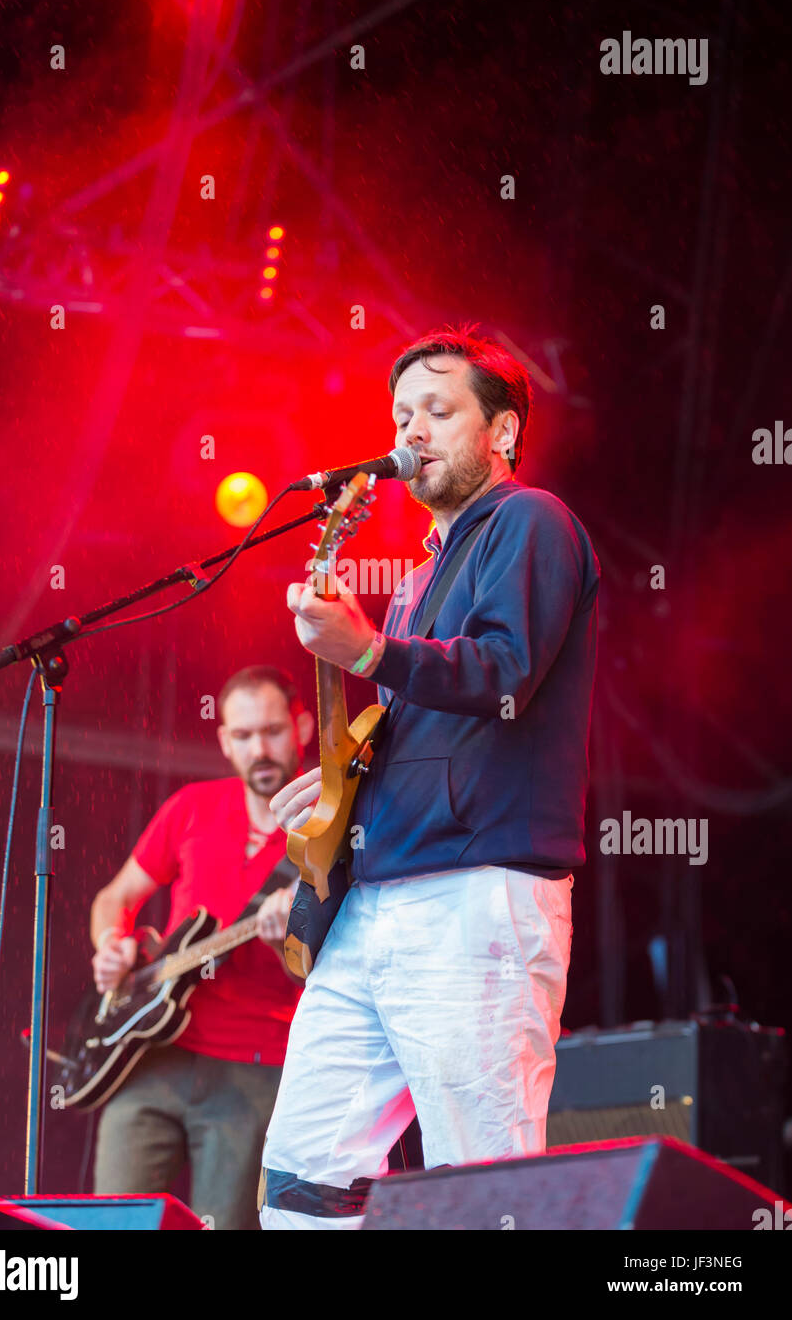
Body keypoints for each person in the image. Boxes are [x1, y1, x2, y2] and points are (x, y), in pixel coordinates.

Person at [259, 326, 601, 1229]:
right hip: (376, 899)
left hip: (475, 892)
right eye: (401, 413)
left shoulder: (531, 521)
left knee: (480, 1181)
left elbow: (502, 673)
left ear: (503, 434)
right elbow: (421, 715)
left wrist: (369, 647)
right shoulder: (416, 579)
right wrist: (341, 780)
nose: (411, 429)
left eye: (438, 410)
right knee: (302, 1173)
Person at [90, 665, 312, 1229]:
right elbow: (115, 898)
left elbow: (347, 972)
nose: (258, 749)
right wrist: (111, 945)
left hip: (256, 1070)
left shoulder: (330, 828)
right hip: (149, 1057)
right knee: (110, 1224)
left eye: (271, 731)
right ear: (223, 740)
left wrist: (295, 939)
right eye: (242, 736)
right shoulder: (192, 806)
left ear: (303, 727)